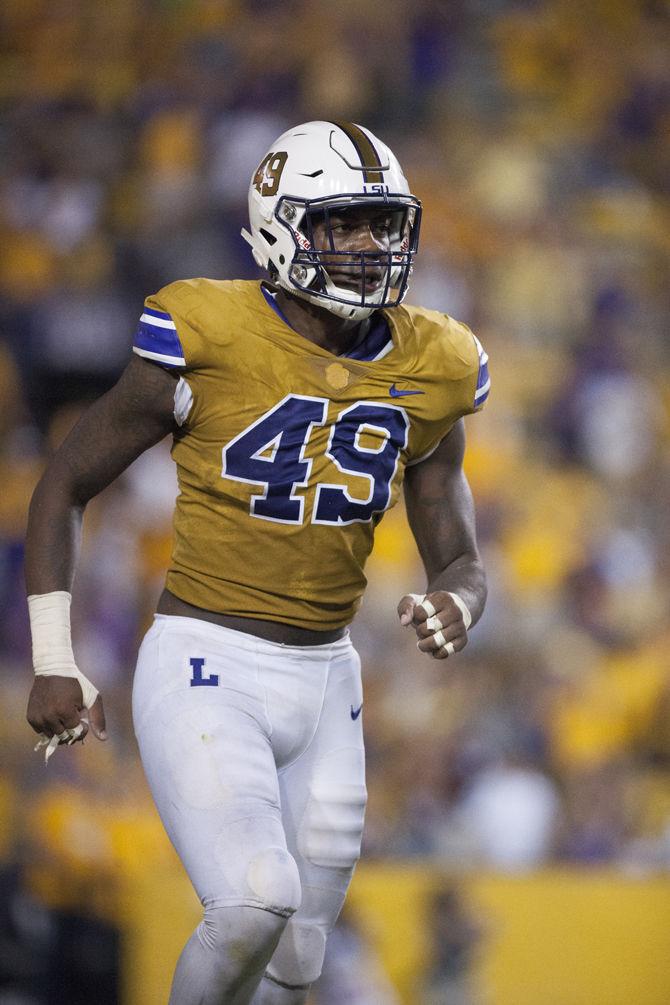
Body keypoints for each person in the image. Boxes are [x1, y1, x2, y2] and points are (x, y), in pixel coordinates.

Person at [25, 120, 489, 1005]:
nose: (370, 247)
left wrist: (460, 598)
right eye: (343, 225)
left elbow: (458, 549)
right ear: (281, 227)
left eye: (382, 224)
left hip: (327, 680)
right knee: (254, 900)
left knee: (299, 964)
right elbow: (64, 482)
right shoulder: (208, 327)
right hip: (208, 660)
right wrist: (54, 655)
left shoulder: (436, 361)